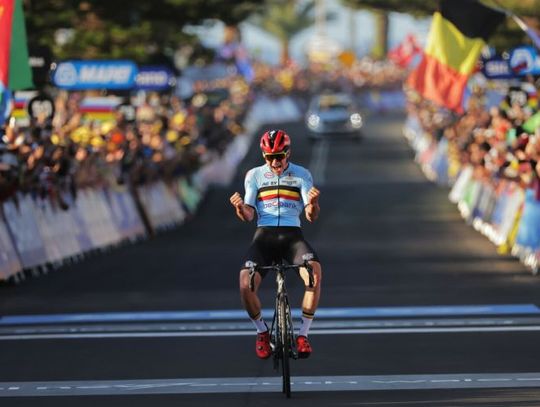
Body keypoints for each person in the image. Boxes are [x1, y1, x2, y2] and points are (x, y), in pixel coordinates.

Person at [229, 129, 322, 359]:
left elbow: (311, 216)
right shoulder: (254, 175)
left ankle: (303, 335)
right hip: (265, 235)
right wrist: (241, 208)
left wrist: (313, 204)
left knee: (314, 274)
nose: (274, 161)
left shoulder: (302, 174)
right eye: (269, 157)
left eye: (279, 155)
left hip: (292, 236)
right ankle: (262, 333)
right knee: (244, 283)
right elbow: (249, 215)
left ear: (288, 153)